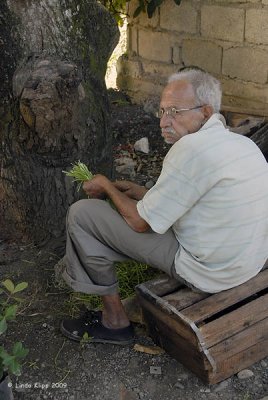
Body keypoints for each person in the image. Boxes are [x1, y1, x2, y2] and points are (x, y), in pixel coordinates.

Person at [60, 68, 268, 345]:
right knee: (133, 207)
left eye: (175, 111)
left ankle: (114, 322)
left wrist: (106, 187)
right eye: (162, 111)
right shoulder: (242, 144)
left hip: (211, 273)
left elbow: (139, 223)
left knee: (83, 214)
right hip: (248, 263)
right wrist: (144, 193)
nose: (164, 123)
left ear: (206, 112)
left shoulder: (190, 149)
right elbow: (202, 200)